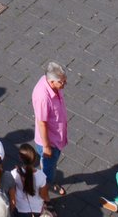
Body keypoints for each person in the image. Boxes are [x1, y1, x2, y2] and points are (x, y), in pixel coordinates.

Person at [30, 63, 67, 194]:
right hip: (50, 142)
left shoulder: (51, 85)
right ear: (51, 81)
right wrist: (46, 147)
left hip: (56, 137)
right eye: (62, 82)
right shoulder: (43, 97)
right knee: (49, 168)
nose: (64, 84)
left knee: (49, 164)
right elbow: (42, 123)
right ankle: (46, 186)